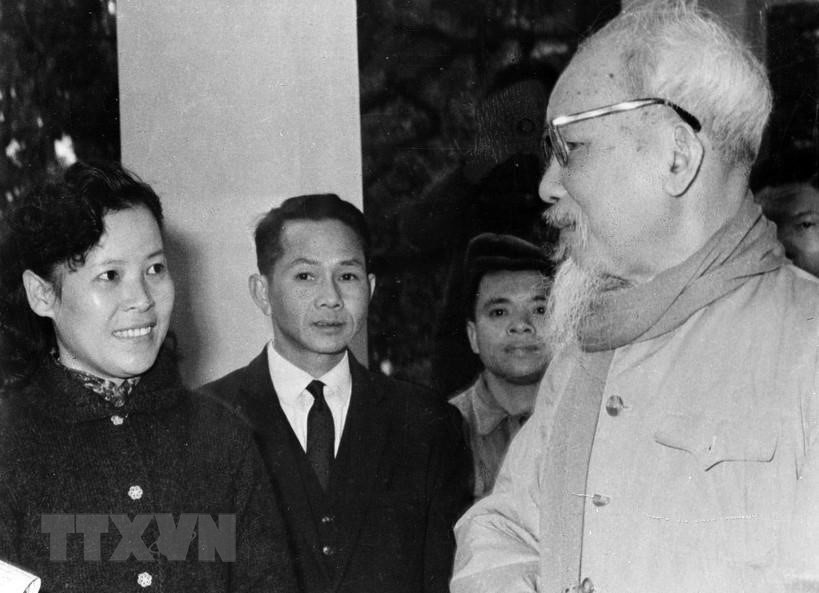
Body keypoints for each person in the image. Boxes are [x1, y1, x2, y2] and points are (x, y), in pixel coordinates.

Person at [451, 3, 819, 593]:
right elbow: (508, 531)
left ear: (677, 156)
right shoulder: (584, 350)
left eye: (571, 148)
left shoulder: (808, 345)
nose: (547, 183)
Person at [0, 161, 297, 592]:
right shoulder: (8, 447)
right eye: (110, 276)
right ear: (43, 294)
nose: (141, 299)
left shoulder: (222, 437)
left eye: (155, 269)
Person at [201, 194, 471, 593]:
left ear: (371, 287)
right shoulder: (206, 420)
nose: (331, 298)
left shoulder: (429, 423)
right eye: (305, 276)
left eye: (347, 276)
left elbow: (446, 578)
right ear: (262, 292)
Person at [449, 233, 553, 499]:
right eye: (499, 312)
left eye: (540, 309)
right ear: (473, 336)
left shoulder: (589, 417)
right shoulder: (444, 430)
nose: (521, 324)